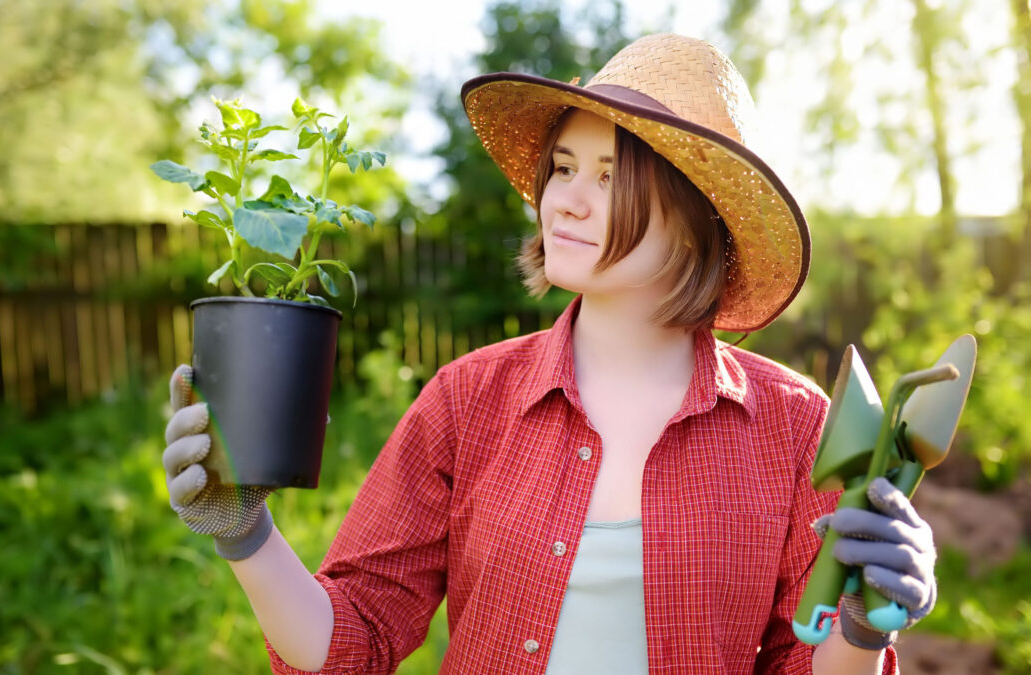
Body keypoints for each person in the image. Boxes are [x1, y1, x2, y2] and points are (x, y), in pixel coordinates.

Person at [162, 34, 937, 674]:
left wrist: (868, 624)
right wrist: (246, 533)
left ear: (698, 222)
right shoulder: (468, 400)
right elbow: (353, 641)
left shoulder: (797, 427)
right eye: (563, 167)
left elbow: (804, 664)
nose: (564, 198)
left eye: (610, 176)